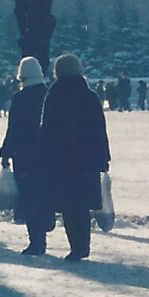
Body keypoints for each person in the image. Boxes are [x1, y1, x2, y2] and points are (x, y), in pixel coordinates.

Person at [36, 54, 111, 262]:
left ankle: (76, 246)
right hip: (86, 160)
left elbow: (47, 131)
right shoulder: (89, 95)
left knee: (69, 204)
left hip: (62, 160)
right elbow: (99, 130)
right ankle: (83, 245)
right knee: (83, 203)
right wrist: (103, 157)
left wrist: (44, 156)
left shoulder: (54, 95)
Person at [0, 57, 52, 255]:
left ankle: (37, 241)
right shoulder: (48, 95)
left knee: (29, 197)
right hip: (47, 154)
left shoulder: (20, 98)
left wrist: (6, 152)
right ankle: (46, 223)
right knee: (44, 193)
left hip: (24, 155)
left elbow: (13, 129)